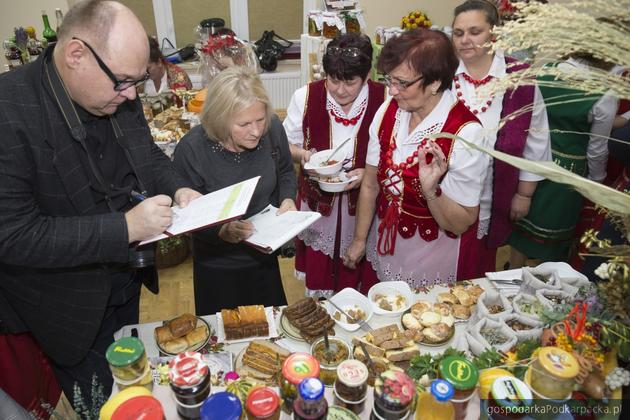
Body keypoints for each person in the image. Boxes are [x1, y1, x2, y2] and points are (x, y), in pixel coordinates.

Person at [0, 0, 200, 407]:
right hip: (66, 308)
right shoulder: (8, 110)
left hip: (125, 281)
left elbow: (149, 154)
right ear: (76, 54)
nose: (131, 97)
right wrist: (125, 229)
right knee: (103, 404)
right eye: (123, 82)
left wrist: (180, 189)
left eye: (137, 83)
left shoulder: (115, 91)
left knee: (132, 389)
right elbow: (14, 235)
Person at [343, 29, 489, 287]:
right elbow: (370, 183)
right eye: (390, 79)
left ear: (434, 83)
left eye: (403, 83)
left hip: (431, 252)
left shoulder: (465, 135)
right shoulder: (390, 109)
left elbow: (461, 223)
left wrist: (431, 190)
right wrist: (359, 239)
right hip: (385, 241)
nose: (393, 90)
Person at [174, 66, 296, 315]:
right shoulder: (192, 149)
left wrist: (287, 200)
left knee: (269, 335)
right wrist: (220, 230)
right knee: (224, 341)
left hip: (264, 260)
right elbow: (185, 217)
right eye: (244, 124)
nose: (256, 131)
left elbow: (285, 171)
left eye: (260, 120)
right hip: (218, 267)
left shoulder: (272, 129)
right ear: (220, 119)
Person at [451, 0, 551, 276]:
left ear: (493, 34)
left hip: (492, 194)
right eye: (458, 33)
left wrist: (523, 193)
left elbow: (537, 139)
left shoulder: (520, 78)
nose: (465, 40)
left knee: (476, 269)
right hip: (444, 193)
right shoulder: (443, 72)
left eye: (475, 31)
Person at [283, 33, 386, 298]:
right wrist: (304, 156)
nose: (340, 90)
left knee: (357, 275)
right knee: (321, 278)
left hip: (363, 206)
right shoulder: (305, 96)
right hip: (318, 203)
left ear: (366, 77)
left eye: (350, 82)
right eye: (333, 80)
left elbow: (394, 154)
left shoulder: (384, 99)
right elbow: (286, 146)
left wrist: (368, 172)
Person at [508, 52, 617, 264]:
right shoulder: (604, 93)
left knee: (520, 231)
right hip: (568, 172)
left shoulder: (545, 70)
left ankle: (511, 274)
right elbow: (597, 149)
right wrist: (596, 182)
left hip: (530, 162)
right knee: (552, 242)